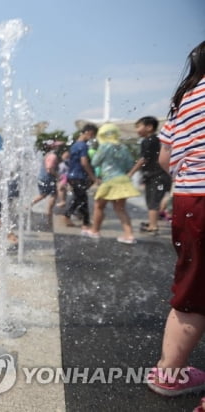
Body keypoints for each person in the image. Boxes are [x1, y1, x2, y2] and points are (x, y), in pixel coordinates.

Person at [147, 41, 205, 408]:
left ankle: (170, 371)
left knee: (191, 289)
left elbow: (166, 158)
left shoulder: (185, 98)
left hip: (188, 199)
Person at [82, 123, 140, 244]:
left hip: (109, 180)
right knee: (120, 209)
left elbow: (95, 162)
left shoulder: (105, 146)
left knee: (99, 206)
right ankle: (129, 235)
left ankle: (94, 230)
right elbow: (129, 164)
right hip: (123, 180)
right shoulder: (123, 147)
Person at [127, 116, 172, 234]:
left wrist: (131, 173)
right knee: (156, 198)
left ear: (149, 127)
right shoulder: (158, 140)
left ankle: (153, 226)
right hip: (160, 176)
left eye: (138, 126)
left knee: (153, 200)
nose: (137, 130)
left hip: (155, 176)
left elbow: (143, 159)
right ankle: (153, 222)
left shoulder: (148, 140)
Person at [63, 124, 99, 229]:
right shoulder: (83, 145)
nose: (92, 138)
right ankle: (85, 222)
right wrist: (93, 177)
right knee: (82, 199)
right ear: (88, 132)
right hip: (79, 176)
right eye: (93, 135)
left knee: (79, 198)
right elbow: (84, 162)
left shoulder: (74, 145)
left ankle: (74, 217)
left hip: (72, 175)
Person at [31, 140, 63, 224]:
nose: (60, 149)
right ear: (54, 147)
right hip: (48, 178)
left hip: (42, 178)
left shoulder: (47, 155)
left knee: (43, 195)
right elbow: (49, 169)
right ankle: (49, 216)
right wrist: (58, 176)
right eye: (59, 147)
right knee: (53, 195)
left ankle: (30, 204)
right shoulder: (53, 156)